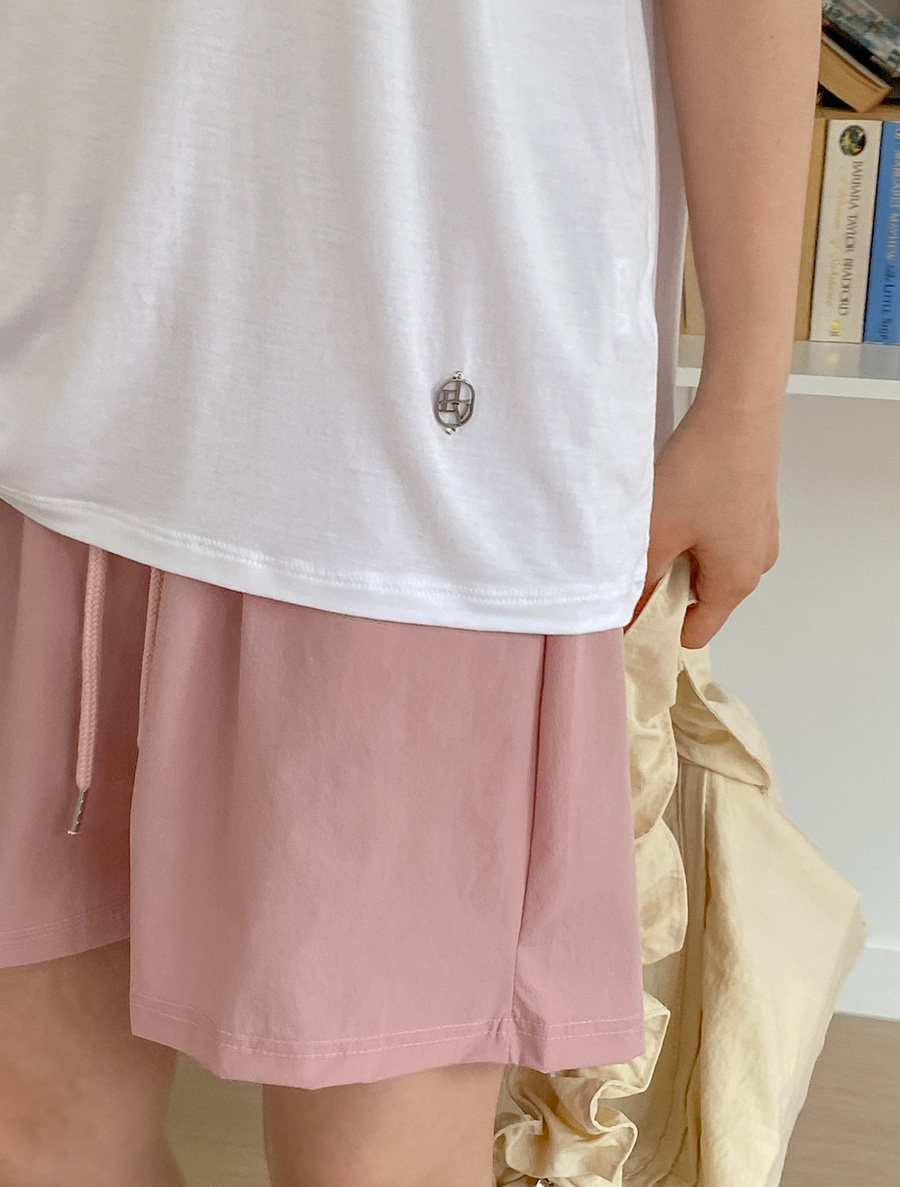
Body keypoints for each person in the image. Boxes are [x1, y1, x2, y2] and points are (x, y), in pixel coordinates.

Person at [0, 1, 821, 1184]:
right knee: (33, 1128)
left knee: (373, 1160)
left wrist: (746, 394)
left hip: (432, 434)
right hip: (63, 351)